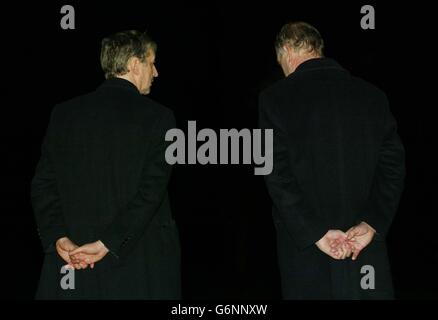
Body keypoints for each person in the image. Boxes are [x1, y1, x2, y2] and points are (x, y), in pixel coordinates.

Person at [259, 22, 405, 299]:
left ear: (287, 50)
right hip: (364, 250)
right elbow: (394, 168)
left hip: (306, 255)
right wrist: (372, 222)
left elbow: (274, 173)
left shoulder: (274, 98)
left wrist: (314, 231)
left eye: (280, 62)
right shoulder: (373, 96)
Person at [31, 30, 181, 299]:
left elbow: (43, 185)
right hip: (138, 269)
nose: (156, 72)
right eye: (152, 62)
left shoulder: (63, 114)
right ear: (135, 65)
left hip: (73, 268)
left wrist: (58, 238)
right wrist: (106, 243)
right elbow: (151, 193)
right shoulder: (160, 117)